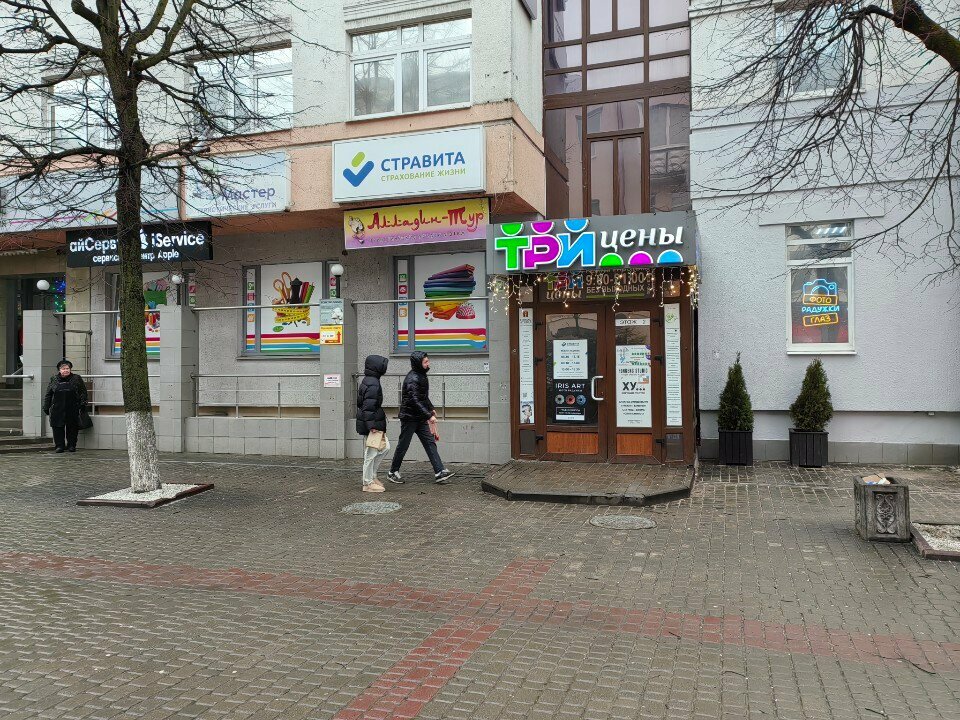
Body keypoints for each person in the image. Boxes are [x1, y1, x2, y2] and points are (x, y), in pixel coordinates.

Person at [387, 351, 454, 485]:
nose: (428, 364)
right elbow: (415, 400)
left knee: (430, 443)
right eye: (426, 362)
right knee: (403, 445)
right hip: (409, 417)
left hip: (419, 417)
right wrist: (429, 415)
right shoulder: (413, 379)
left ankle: (439, 472)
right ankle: (393, 472)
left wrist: (431, 408)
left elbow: (423, 397)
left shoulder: (421, 376)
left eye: (428, 361)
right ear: (419, 364)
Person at [356, 354, 390, 493]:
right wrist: (372, 427)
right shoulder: (373, 384)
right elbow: (368, 407)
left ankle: (372, 476)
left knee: (385, 447)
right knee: (370, 453)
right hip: (373, 424)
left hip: (374, 422)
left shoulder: (370, 381)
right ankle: (367, 483)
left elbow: (361, 403)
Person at [42, 359, 87, 453]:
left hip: (73, 407)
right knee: (57, 428)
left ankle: (71, 445)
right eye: (63, 369)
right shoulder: (54, 379)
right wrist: (46, 406)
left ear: (70, 369)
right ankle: (59, 446)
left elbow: (83, 392)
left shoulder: (76, 378)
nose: (65, 370)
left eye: (67, 368)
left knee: (72, 428)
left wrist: (83, 404)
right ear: (59, 370)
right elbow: (48, 394)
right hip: (57, 408)